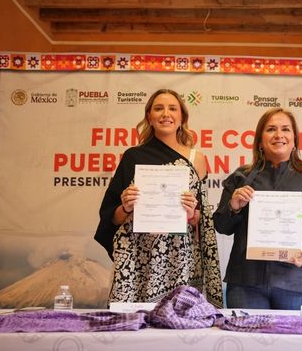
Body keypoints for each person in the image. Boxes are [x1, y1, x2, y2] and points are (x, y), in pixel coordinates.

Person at [94, 89, 223, 308]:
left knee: (179, 322)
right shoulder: (133, 157)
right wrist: (126, 207)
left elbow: (202, 220)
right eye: (158, 108)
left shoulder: (197, 159)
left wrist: (191, 214)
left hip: (181, 259)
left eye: (172, 109)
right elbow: (112, 218)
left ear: (182, 117)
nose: (166, 114)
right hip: (139, 259)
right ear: (149, 117)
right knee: (136, 324)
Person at [213, 107, 302, 309]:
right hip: (247, 283)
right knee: (247, 332)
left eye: (286, 129)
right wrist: (233, 207)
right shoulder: (241, 177)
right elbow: (222, 226)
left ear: (295, 140)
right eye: (271, 129)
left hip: (299, 281)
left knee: (296, 332)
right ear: (260, 140)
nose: (279, 135)